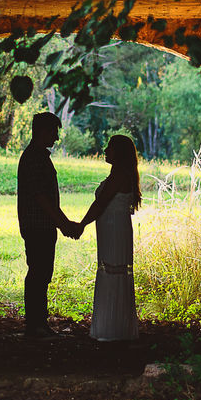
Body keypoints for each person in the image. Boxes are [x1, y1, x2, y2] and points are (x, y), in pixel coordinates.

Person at [17, 112, 83, 338]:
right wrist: (63, 224)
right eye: (53, 132)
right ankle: (36, 325)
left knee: (40, 273)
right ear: (42, 131)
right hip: (38, 226)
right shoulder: (35, 158)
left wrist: (61, 223)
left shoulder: (36, 156)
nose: (56, 138)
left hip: (40, 225)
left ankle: (37, 323)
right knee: (39, 273)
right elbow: (42, 197)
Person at [79, 135, 141, 342]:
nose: (105, 150)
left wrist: (80, 225)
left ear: (119, 153)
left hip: (115, 231)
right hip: (112, 229)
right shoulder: (119, 174)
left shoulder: (119, 176)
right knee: (112, 272)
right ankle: (113, 326)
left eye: (110, 148)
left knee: (113, 272)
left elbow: (100, 204)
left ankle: (113, 329)